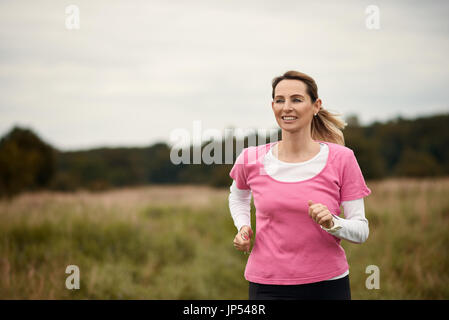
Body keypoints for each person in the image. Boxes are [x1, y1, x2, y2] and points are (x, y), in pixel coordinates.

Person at [228, 70, 371, 300]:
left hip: (327, 286)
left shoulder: (343, 159)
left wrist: (333, 223)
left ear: (316, 106)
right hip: (267, 286)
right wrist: (243, 226)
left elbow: (361, 231)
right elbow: (238, 195)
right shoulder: (250, 159)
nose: (287, 107)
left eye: (296, 99)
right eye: (279, 100)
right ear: (272, 106)